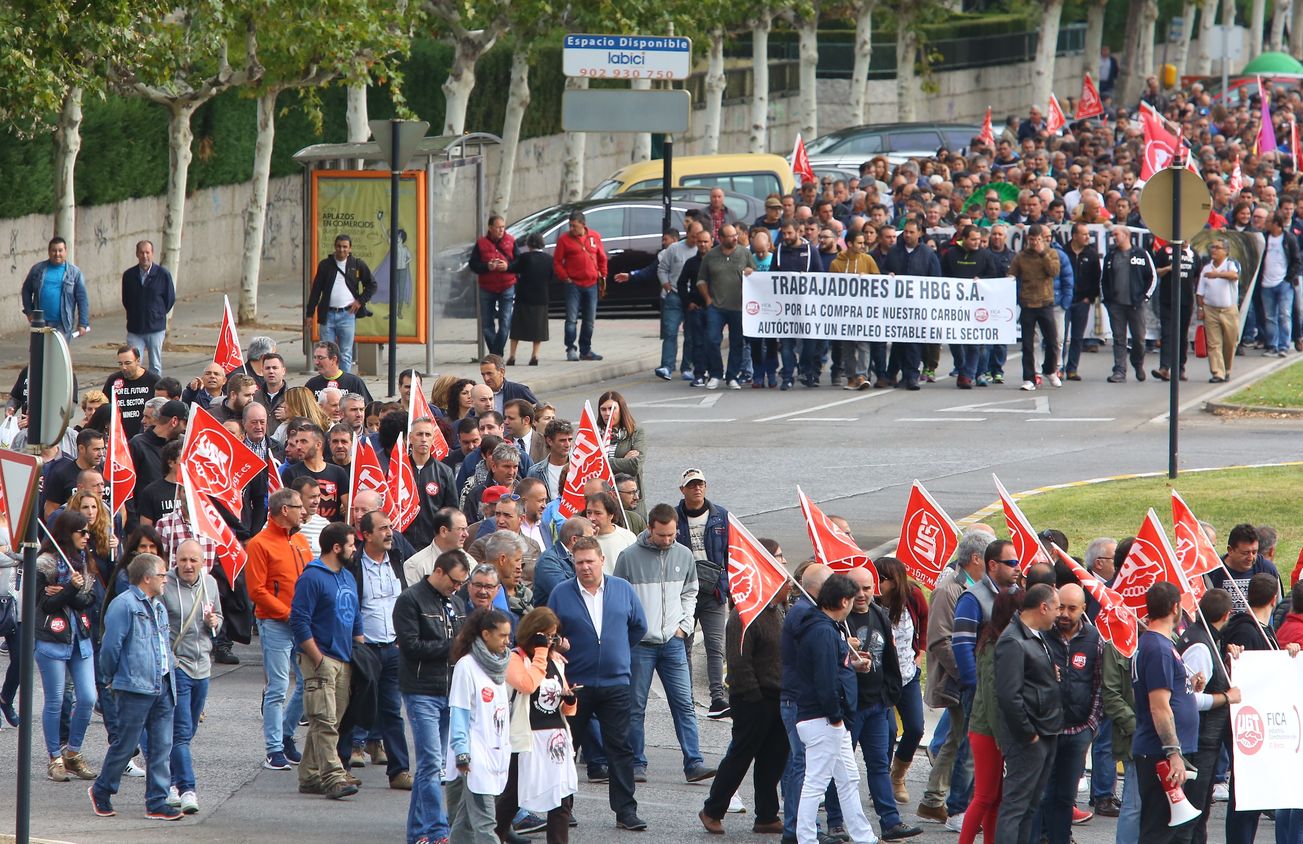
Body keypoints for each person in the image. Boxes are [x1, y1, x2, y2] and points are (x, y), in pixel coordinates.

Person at [547, 537, 648, 831]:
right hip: (575, 685)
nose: (585, 567)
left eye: (590, 561)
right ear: (573, 564)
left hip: (616, 683)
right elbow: (550, 631)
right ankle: (563, 810)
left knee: (620, 748)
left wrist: (617, 653)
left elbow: (638, 626)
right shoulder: (561, 593)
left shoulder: (622, 589)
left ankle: (626, 812)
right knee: (567, 747)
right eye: (579, 562)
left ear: (602, 560)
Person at [614, 503, 715, 784]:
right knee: (636, 706)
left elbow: (690, 591)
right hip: (641, 645)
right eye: (662, 536)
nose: (668, 541)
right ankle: (637, 762)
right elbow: (619, 597)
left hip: (672, 642)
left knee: (684, 704)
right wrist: (630, 632)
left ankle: (694, 762)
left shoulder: (683, 554)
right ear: (650, 529)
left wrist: (683, 627)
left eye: (672, 535)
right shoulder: (628, 557)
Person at [791, 573, 880, 844]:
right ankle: (806, 838)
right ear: (843, 601)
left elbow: (829, 671)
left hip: (824, 717)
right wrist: (835, 717)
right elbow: (824, 679)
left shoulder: (824, 628)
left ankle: (864, 836)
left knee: (849, 777)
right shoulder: (822, 631)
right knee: (816, 782)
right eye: (852, 600)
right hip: (823, 718)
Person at [90, 552, 178, 820]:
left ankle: (157, 801)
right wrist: (109, 679)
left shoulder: (159, 606)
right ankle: (102, 789)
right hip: (134, 687)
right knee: (126, 745)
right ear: (147, 577)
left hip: (162, 684)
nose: (166, 579)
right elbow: (110, 647)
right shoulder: (124, 605)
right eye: (162, 575)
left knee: (162, 745)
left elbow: (163, 644)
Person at [395, 549, 470, 844]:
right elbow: (411, 646)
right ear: (438, 571)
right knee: (429, 764)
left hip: (450, 692)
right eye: (454, 581)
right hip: (421, 690)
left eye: (461, 583)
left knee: (433, 764)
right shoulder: (410, 600)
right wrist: (454, 647)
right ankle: (438, 831)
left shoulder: (457, 601)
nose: (457, 587)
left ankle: (417, 834)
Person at [918, 530, 992, 827]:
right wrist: (968, 676)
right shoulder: (949, 590)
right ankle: (952, 805)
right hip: (958, 680)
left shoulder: (978, 587)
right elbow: (939, 640)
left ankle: (933, 799)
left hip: (967, 679)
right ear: (976, 558)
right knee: (964, 742)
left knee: (956, 738)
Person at [290, 521, 363, 800]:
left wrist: (360, 652)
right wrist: (317, 658)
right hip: (320, 658)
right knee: (323, 718)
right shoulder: (312, 577)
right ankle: (333, 775)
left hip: (344, 659)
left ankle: (309, 775)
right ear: (336, 548)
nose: (354, 549)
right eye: (350, 544)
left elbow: (354, 616)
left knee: (330, 721)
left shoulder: (346, 576)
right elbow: (298, 620)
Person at [244, 487, 312, 770]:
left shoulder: (300, 541)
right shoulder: (259, 544)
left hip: (300, 623)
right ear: (285, 510)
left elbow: (310, 579)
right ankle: (274, 749)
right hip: (275, 623)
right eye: (299, 507)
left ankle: (284, 736)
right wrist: (288, 614)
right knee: (278, 687)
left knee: (309, 683)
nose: (304, 512)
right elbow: (257, 591)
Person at [344, 509, 412, 789]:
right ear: (366, 534)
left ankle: (399, 771)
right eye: (382, 528)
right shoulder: (354, 565)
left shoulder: (397, 560)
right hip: (365, 649)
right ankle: (343, 764)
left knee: (392, 711)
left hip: (393, 647)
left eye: (390, 527)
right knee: (355, 709)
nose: (389, 533)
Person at [498, 607, 579, 844]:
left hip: (556, 736)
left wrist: (570, 700)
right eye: (545, 635)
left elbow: (565, 708)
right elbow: (527, 685)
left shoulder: (556, 660)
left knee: (561, 798)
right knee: (513, 795)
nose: (550, 641)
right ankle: (491, 837)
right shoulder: (515, 658)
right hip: (527, 737)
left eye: (553, 636)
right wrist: (541, 652)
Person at [993, 583, 1062, 844]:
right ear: (1043, 607)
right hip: (1029, 736)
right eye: (1056, 608)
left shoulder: (1036, 635)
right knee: (1016, 806)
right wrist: (1028, 734)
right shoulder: (1012, 640)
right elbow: (1009, 695)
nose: (1058, 614)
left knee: (1030, 806)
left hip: (1046, 729)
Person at [34, 510, 100, 783]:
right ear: (67, 532)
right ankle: (54, 757)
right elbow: (44, 605)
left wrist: (65, 592)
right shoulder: (45, 564)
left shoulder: (83, 561)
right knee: (55, 700)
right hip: (52, 638)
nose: (87, 537)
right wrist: (71, 591)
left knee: (88, 697)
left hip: (79, 636)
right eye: (81, 532)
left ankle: (72, 752)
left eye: (88, 532)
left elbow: (89, 600)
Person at [1131, 582, 1199, 842]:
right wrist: (1173, 752)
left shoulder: (1157, 643)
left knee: (1170, 830)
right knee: (1158, 830)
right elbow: (1159, 706)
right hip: (1161, 753)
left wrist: (1188, 685)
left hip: (1162, 750)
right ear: (1175, 607)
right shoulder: (1158, 648)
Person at [160, 539, 221, 815]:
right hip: (178, 666)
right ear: (176, 559)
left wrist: (214, 622)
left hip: (203, 667)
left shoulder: (210, 584)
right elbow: (158, 623)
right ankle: (187, 789)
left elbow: (217, 615)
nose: (187, 565)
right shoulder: (165, 585)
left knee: (188, 730)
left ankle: (170, 782)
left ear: (202, 562)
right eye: (183, 560)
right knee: (181, 732)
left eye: (193, 561)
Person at [956, 588, 1021, 844]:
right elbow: (993, 697)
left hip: (991, 729)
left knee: (996, 797)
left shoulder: (999, 640)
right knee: (984, 796)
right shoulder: (995, 645)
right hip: (988, 731)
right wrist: (1001, 736)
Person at [1039, 583, 1102, 843]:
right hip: (1046, 730)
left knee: (1066, 795)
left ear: (1083, 609)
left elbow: (1099, 684)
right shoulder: (1042, 635)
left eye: (1072, 608)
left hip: (1078, 732)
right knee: (1043, 792)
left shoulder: (1094, 638)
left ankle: (1060, 838)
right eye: (1060, 607)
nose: (1064, 613)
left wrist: (1091, 726)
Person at [445, 607, 514, 842]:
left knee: (465, 822)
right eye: (502, 636)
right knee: (485, 821)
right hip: (475, 756)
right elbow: (460, 712)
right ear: (486, 635)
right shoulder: (466, 666)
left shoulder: (500, 667)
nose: (507, 641)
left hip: (496, 752)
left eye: (508, 635)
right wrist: (462, 751)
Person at [674, 468, 731, 718]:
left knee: (715, 646)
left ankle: (717, 697)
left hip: (714, 593)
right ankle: (685, 696)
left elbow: (733, 553)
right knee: (683, 644)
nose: (697, 488)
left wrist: (726, 584)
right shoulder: (673, 518)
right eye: (692, 485)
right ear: (682, 490)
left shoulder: (721, 516)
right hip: (685, 592)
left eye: (701, 484)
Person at [697, 224, 757, 390]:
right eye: (730, 236)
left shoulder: (745, 253)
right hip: (716, 306)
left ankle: (732, 376)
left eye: (735, 235)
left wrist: (750, 271)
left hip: (738, 307)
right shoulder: (711, 255)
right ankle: (716, 373)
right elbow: (701, 280)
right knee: (711, 339)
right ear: (721, 238)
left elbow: (755, 274)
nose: (734, 238)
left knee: (737, 342)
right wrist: (708, 299)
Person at [306, 234, 377, 374]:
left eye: (345, 247)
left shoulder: (357, 265)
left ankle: (345, 382)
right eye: (339, 246)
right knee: (325, 352)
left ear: (350, 248)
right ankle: (327, 380)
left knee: (345, 353)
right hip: (328, 314)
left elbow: (372, 285)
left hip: (347, 315)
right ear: (335, 247)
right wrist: (309, 314)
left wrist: (360, 301)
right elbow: (316, 290)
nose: (341, 250)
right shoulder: (325, 265)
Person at [1009, 224, 1063, 391]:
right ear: (1028, 239)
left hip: (1045, 302)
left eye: (1038, 239)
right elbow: (1012, 275)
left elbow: (1054, 271)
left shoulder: (1051, 253)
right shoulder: (1021, 257)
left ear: (1043, 239)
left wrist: (1043, 253)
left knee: (1052, 341)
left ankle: (1049, 370)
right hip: (1027, 304)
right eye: (1032, 240)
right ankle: (1029, 377)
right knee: (1027, 344)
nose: (1034, 243)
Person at [1101, 226, 1157, 384]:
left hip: (1136, 305)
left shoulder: (1140, 254)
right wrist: (1107, 300)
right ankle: (1119, 370)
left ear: (1126, 236)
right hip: (1116, 305)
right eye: (1113, 235)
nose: (1114, 238)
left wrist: (1144, 298)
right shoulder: (1111, 255)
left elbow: (1151, 277)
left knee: (1139, 339)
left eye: (1116, 234)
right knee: (1119, 339)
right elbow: (1103, 279)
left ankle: (1138, 364)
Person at [552, 210, 608, 361]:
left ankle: (586, 350)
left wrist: (603, 275)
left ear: (583, 225)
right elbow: (557, 261)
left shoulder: (594, 237)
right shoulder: (564, 240)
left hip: (591, 283)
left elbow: (602, 258)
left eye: (574, 226)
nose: (571, 229)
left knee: (589, 320)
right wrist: (565, 277)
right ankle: (570, 349)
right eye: (570, 226)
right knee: (571, 319)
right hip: (573, 284)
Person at [121, 239, 175, 375]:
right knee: (131, 362)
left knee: (155, 365)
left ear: (152, 254)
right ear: (137, 254)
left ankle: (155, 393)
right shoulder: (129, 275)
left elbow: (169, 299)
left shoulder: (163, 275)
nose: (145, 256)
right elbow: (126, 300)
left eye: (147, 252)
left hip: (155, 328)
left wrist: (157, 313)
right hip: (135, 329)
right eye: (141, 252)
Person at [22, 236, 90, 338]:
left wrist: (83, 324)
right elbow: (26, 290)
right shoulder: (37, 270)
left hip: (62, 323)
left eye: (60, 250)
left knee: (58, 353)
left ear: (65, 251)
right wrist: (29, 312)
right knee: (38, 353)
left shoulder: (74, 273)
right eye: (54, 251)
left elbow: (82, 299)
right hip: (40, 323)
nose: (57, 254)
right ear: (49, 252)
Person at [470, 215, 517, 357]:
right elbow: (473, 264)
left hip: (507, 286)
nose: (501, 230)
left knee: (505, 322)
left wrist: (508, 266)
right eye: (498, 227)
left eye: (503, 227)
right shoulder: (481, 243)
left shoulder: (511, 241)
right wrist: (487, 266)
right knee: (487, 324)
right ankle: (496, 354)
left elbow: (519, 262)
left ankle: (495, 356)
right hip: (487, 287)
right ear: (490, 228)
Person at [1195, 238, 1240, 383]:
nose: (1213, 250)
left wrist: (1218, 275)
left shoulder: (1230, 264)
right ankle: (1217, 372)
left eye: (1217, 248)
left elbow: (1234, 276)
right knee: (1214, 343)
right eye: (1212, 247)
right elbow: (1200, 292)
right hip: (1210, 310)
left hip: (1229, 310)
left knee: (1230, 341)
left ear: (1225, 251)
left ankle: (1227, 369)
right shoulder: (1206, 268)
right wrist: (1200, 308)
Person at [506, 232, 552, 366]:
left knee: (517, 328)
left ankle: (512, 356)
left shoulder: (524, 258)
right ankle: (535, 355)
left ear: (529, 244)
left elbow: (512, 268)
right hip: (541, 298)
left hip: (523, 297)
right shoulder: (549, 259)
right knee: (538, 329)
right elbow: (551, 277)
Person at [103, 344, 160, 439]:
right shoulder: (113, 380)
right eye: (120, 364)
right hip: (119, 436)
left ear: (138, 361)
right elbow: (104, 405)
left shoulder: (153, 380)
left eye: (128, 363)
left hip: (145, 436)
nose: (124, 367)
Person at [598, 391, 645, 496]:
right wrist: (623, 461)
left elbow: (635, 466)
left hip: (630, 499)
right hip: (602, 496)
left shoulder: (635, 432)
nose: (607, 413)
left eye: (611, 408)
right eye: (603, 409)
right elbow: (589, 465)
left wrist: (602, 462)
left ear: (621, 410)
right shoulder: (595, 434)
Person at [304, 340, 373, 404]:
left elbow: (368, 409)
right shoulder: (312, 384)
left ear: (334, 359)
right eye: (315, 357)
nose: (316, 362)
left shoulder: (354, 382)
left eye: (320, 358)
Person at [586, 491, 636, 572]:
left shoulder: (628, 537)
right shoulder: (582, 538)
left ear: (611, 515)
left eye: (598, 513)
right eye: (589, 513)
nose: (592, 518)